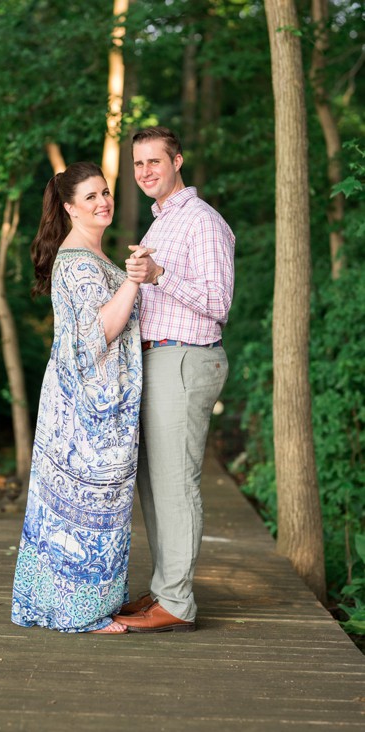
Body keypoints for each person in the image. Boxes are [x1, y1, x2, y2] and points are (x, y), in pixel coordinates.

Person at [11, 161, 145, 635]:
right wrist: (134, 279)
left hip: (90, 402)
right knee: (88, 511)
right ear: (70, 208)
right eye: (90, 196)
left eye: (105, 192)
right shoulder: (82, 263)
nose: (103, 201)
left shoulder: (88, 256)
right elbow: (97, 336)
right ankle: (80, 613)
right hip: (88, 408)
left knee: (83, 510)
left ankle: (66, 604)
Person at [116, 126, 234, 633]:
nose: (145, 172)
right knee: (153, 485)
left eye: (154, 162)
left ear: (178, 161)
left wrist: (160, 276)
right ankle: (166, 585)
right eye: (138, 164)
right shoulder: (162, 222)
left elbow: (218, 303)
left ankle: (177, 603)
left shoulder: (202, 222)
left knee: (175, 485)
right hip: (156, 360)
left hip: (185, 359)